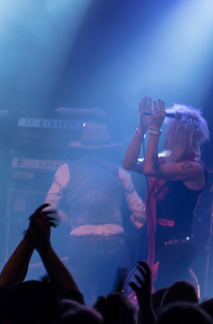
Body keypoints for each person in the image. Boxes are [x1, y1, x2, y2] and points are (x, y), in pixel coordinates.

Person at [44, 123, 146, 301]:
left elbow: (48, 210)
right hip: (114, 239)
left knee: (77, 295)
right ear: (107, 148)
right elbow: (141, 214)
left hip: (82, 239)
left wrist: (73, 220)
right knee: (110, 298)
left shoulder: (66, 170)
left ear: (83, 147)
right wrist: (134, 220)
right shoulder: (120, 172)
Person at [124, 97, 208, 290]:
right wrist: (143, 128)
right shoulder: (166, 159)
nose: (166, 139)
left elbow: (150, 169)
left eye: (169, 133)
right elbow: (129, 163)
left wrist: (155, 129)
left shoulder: (193, 168)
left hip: (174, 249)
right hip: (157, 244)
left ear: (179, 138)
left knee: (162, 301)